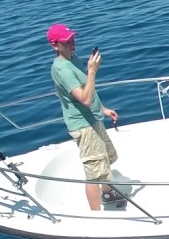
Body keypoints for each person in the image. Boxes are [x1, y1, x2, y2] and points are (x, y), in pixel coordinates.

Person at [47, 23, 122, 211]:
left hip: (93, 118)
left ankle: (107, 193)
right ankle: (95, 217)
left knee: (104, 159)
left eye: (72, 39)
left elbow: (86, 92)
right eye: (67, 42)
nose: (72, 44)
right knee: (93, 174)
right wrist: (93, 71)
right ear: (55, 46)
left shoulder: (73, 59)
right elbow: (85, 99)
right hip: (83, 126)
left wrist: (103, 109)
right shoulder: (62, 69)